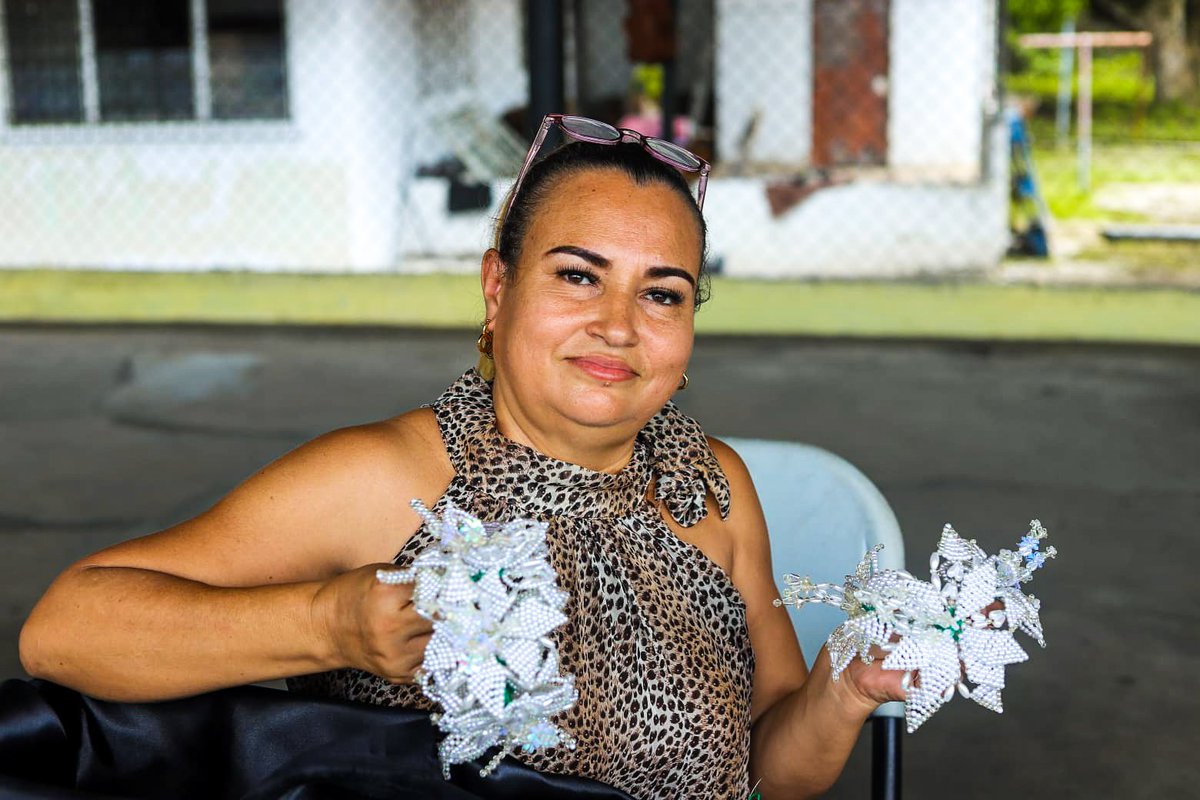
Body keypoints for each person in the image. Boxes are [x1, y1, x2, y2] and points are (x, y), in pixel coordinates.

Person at [18, 115, 906, 799]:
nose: (618, 325)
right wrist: (330, 623)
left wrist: (847, 687)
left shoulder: (713, 486)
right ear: (498, 286)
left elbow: (775, 772)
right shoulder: (390, 482)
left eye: (662, 293)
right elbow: (66, 631)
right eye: (577, 275)